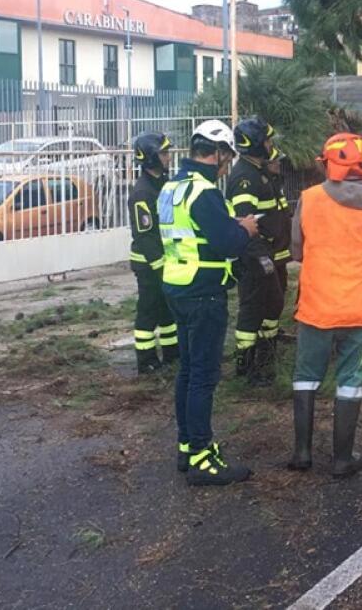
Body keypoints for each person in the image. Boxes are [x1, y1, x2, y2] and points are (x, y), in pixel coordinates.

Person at [159, 120, 260, 486]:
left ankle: (187, 446)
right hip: (203, 293)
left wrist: (227, 224)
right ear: (216, 153)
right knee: (203, 376)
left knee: (187, 372)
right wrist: (244, 229)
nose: (227, 165)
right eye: (227, 158)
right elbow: (227, 244)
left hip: (176, 287)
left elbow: (195, 233)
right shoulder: (205, 192)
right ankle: (203, 457)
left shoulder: (173, 188)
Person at [287, 133, 362, 478]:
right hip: (361, 308)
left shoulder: (310, 199)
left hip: (317, 306)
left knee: (305, 377)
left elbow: (296, 250)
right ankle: (342, 458)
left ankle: (302, 452)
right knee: (351, 381)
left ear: (330, 162)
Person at [226, 117, 292, 385]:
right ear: (255, 145)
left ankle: (265, 360)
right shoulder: (244, 177)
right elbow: (245, 223)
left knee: (272, 305)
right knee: (252, 309)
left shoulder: (259, 172)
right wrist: (260, 258)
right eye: (267, 140)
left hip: (268, 253)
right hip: (255, 256)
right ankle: (246, 365)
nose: (270, 144)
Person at [128, 131, 178, 373]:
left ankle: (171, 354)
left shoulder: (163, 183)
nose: (168, 157)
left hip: (164, 260)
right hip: (149, 263)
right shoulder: (142, 193)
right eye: (164, 153)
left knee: (167, 310)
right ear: (150, 158)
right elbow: (144, 235)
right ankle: (146, 361)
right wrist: (159, 266)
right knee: (148, 311)